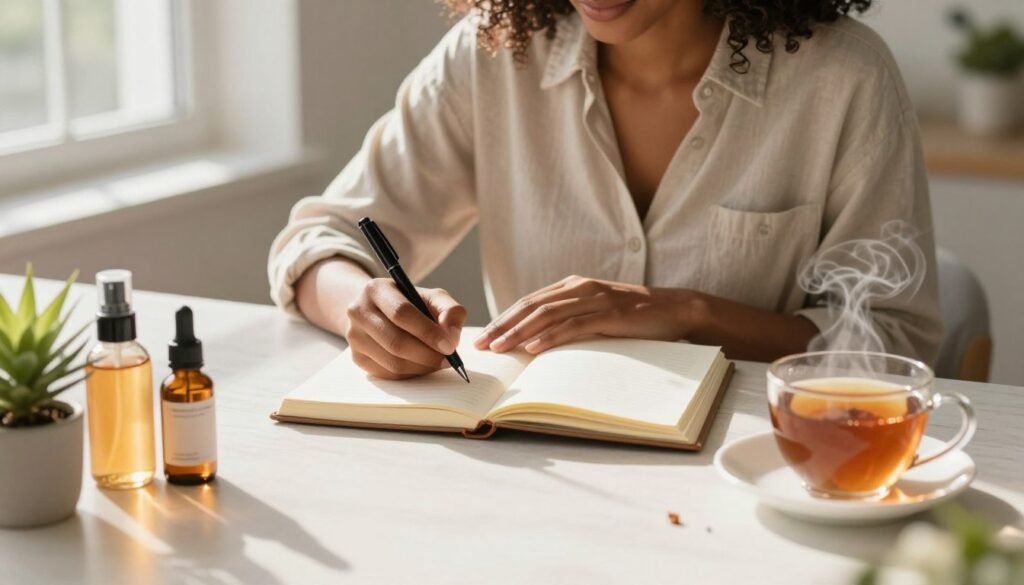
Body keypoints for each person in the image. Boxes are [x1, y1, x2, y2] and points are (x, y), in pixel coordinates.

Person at [269, 0, 942, 380]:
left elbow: (896, 346)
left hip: (756, 478)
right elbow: (313, 243)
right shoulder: (493, 58)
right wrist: (364, 305)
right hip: (539, 472)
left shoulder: (843, 79)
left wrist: (690, 313)